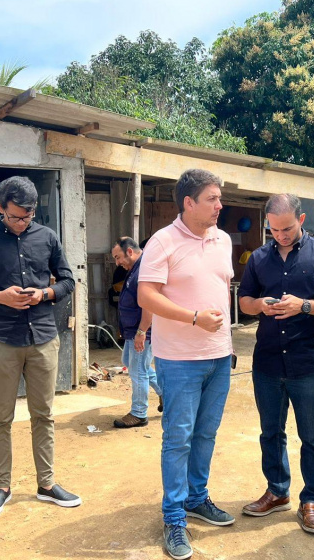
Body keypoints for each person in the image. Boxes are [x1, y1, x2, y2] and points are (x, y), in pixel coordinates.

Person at [0, 176, 81, 518]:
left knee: (44, 415)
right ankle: (2, 486)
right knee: (1, 417)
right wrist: (0, 297)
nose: (22, 222)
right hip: (2, 340)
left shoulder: (48, 237)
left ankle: (46, 484)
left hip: (43, 337)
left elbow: (68, 280)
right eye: (15, 216)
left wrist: (44, 293)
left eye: (27, 217)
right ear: (1, 209)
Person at [238, 193, 314, 534]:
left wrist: (305, 306)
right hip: (268, 362)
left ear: (301, 220)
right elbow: (244, 301)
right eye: (274, 230)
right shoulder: (259, 258)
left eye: (287, 228)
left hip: (308, 361)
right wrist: (259, 304)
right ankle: (277, 491)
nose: (281, 235)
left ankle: (312, 501)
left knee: (312, 436)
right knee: (271, 432)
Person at [138, 169, 235, 560]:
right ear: (189, 203)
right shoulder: (163, 241)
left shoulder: (224, 239)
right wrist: (193, 317)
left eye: (219, 198)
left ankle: (197, 497)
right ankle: (174, 517)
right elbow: (147, 295)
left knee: (206, 434)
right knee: (178, 438)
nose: (219, 205)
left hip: (218, 356)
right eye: (212, 198)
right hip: (179, 360)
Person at [110, 237, 162, 428]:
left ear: (130, 252)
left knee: (138, 371)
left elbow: (149, 304)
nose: (117, 263)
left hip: (141, 331)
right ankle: (164, 392)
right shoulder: (136, 269)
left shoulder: (144, 270)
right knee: (130, 364)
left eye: (118, 257)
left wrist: (142, 331)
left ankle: (139, 413)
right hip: (133, 331)